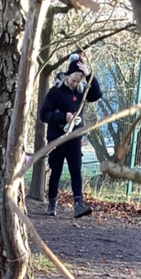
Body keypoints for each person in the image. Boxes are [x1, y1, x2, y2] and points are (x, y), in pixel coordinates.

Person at [40, 53, 102, 218]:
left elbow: (97, 94)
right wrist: (63, 117)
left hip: (75, 137)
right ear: (67, 77)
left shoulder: (82, 91)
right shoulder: (55, 92)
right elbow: (44, 114)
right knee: (56, 170)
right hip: (58, 137)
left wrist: (89, 75)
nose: (75, 84)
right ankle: (52, 203)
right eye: (73, 80)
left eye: (78, 81)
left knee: (76, 169)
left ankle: (78, 204)